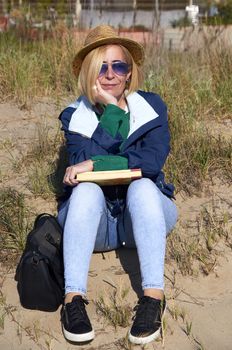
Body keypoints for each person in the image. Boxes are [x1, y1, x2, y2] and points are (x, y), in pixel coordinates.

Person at [57, 24, 178, 345]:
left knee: (142, 185)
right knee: (85, 189)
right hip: (94, 226)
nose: (110, 74)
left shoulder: (152, 106)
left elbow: (151, 161)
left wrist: (94, 164)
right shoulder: (74, 115)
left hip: (143, 218)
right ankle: (72, 300)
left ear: (129, 72)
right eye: (101, 66)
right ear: (89, 72)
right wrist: (111, 112)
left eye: (119, 65)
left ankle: (153, 297)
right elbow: (77, 163)